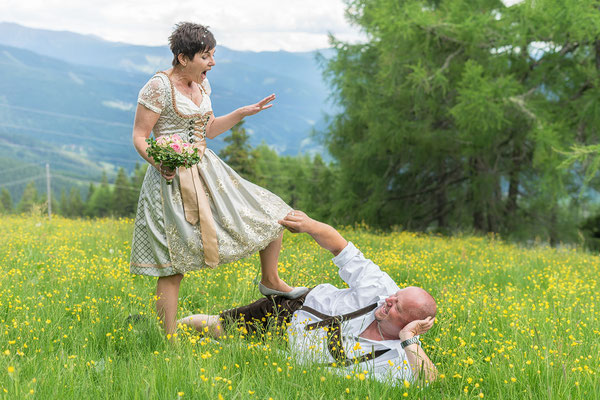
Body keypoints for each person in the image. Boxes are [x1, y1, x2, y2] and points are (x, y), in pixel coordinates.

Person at [130, 22, 307, 336]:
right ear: (183, 58)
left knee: (274, 212)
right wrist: (161, 162)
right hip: (170, 182)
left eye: (212, 55)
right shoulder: (157, 87)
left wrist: (241, 113)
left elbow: (208, 130)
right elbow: (141, 137)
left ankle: (271, 280)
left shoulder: (202, 84)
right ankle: (168, 341)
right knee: (172, 267)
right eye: (206, 56)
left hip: (208, 171)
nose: (212, 62)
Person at [178, 210, 438, 384]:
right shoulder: (380, 287)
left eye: (396, 306)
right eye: (394, 296)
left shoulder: (398, 355)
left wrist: (408, 340)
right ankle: (164, 328)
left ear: (408, 325)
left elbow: (431, 384)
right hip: (293, 311)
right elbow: (341, 247)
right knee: (215, 328)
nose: (387, 300)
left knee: (228, 357)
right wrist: (310, 225)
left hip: (290, 359)